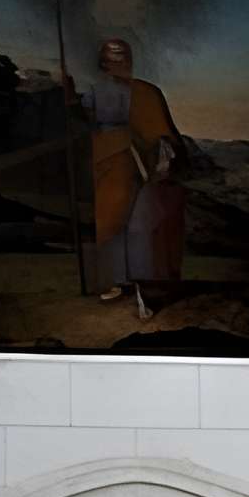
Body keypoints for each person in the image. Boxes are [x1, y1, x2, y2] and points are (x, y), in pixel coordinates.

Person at [69, 38, 187, 316]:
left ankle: (145, 285)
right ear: (104, 62)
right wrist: (70, 98)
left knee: (142, 225)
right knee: (109, 222)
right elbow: (83, 116)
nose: (117, 62)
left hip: (139, 161)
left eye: (121, 57)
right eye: (111, 58)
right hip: (106, 162)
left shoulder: (145, 92)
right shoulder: (97, 92)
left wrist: (161, 157)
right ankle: (114, 281)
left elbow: (158, 131)